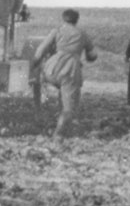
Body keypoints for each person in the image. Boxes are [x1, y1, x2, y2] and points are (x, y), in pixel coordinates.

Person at [33, 9, 97, 137]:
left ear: (63, 19)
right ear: (76, 20)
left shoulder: (56, 31)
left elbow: (39, 52)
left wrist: (34, 68)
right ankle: (58, 133)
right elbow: (92, 55)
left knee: (47, 85)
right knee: (69, 108)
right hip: (70, 71)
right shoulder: (82, 34)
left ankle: (42, 112)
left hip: (51, 69)